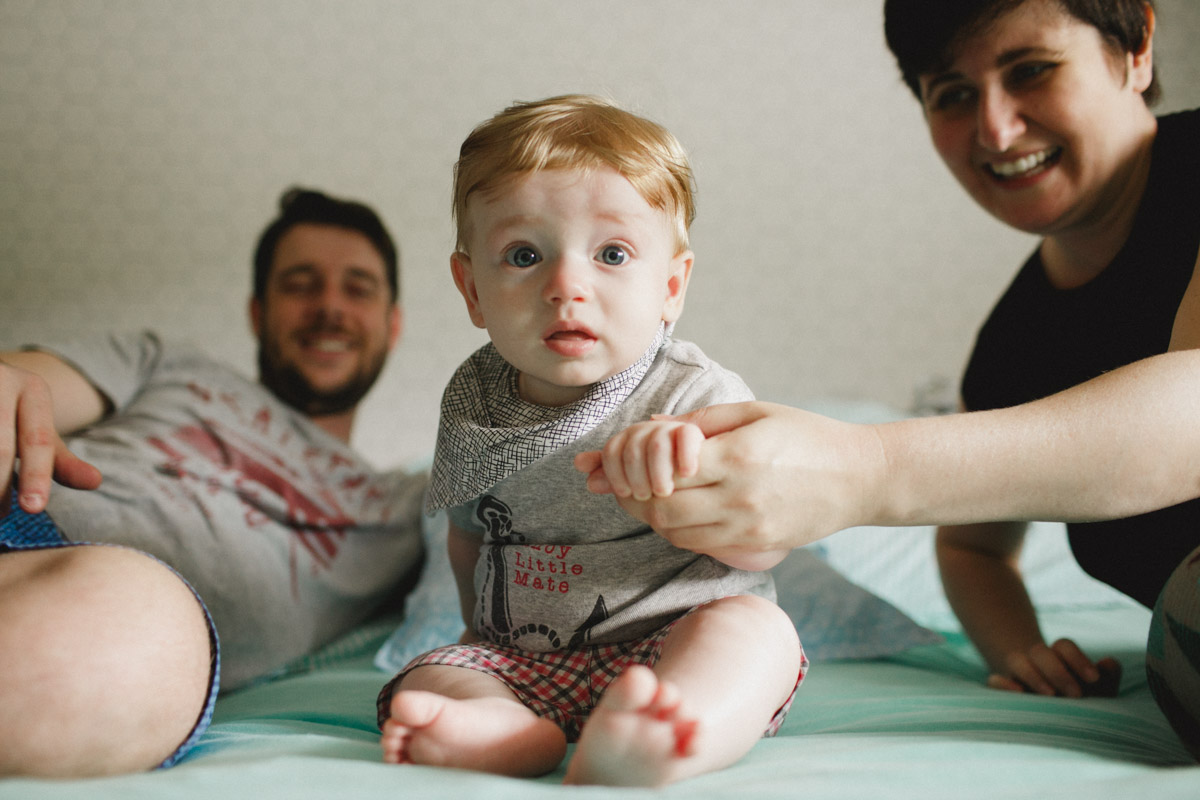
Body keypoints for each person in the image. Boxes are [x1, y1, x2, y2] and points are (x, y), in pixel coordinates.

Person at [578, 0, 1200, 760]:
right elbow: (974, 550)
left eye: (1031, 71)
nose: (996, 130)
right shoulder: (1014, 341)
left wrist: (860, 469)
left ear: (1134, 46)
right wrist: (1017, 648)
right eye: (953, 95)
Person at [376, 95, 803, 787]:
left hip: (669, 647)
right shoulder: (476, 406)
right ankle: (505, 730)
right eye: (523, 254)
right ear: (472, 290)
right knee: (424, 679)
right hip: (523, 663)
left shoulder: (694, 397)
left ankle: (669, 731)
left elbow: (767, 541)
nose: (566, 285)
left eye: (611, 253)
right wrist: (474, 645)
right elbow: (467, 537)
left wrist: (688, 478)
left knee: (756, 631)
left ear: (671, 286)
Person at [0, 188, 426, 776]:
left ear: (392, 324)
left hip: (120, 619)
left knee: (144, 617)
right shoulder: (164, 360)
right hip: (17, 501)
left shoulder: (405, 508)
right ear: (257, 311)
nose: (329, 307)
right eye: (300, 284)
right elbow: (24, 382)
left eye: (358, 288)